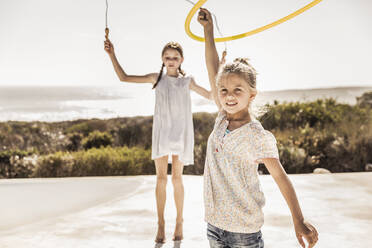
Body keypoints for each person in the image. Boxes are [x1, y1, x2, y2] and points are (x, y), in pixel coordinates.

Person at [198, 8, 319, 248]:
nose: (229, 96)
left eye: (237, 90)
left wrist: (298, 219)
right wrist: (208, 30)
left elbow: (281, 178)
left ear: (251, 94)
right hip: (214, 225)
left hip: (244, 231)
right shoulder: (221, 118)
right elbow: (214, 70)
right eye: (224, 90)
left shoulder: (256, 135)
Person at [104, 39, 212, 243]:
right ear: (162, 59)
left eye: (175, 57)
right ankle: (161, 224)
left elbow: (210, 95)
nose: (171, 61)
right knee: (161, 179)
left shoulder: (188, 80)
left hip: (180, 133)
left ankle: (179, 221)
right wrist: (112, 54)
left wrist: (219, 67)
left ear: (181, 60)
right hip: (162, 133)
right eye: (167, 57)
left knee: (177, 179)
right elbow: (124, 77)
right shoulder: (156, 78)